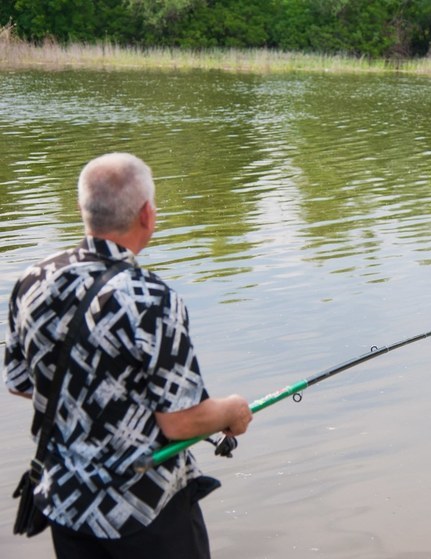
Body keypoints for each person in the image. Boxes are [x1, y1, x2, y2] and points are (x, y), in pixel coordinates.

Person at [3, 153, 252, 558]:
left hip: (68, 506)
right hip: (142, 511)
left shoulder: (33, 280)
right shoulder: (152, 299)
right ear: (147, 215)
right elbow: (180, 422)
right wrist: (232, 411)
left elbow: (21, 383)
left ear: (85, 211)